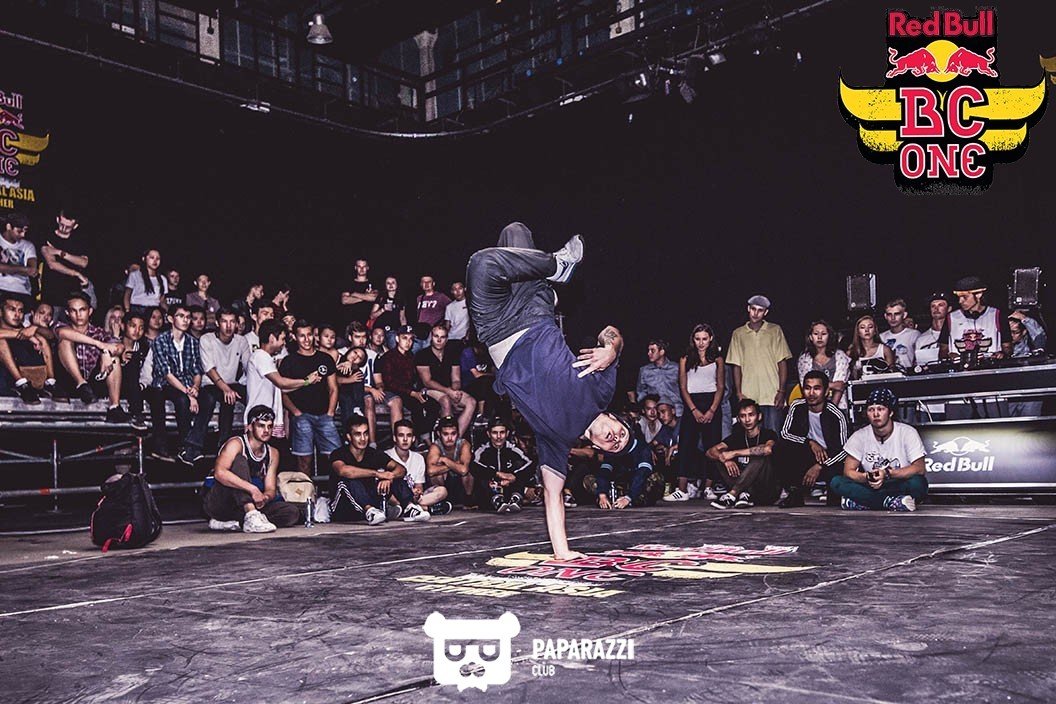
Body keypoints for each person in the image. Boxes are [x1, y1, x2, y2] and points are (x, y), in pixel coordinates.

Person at [466, 222, 628, 560]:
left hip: (497, 329)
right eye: (621, 433)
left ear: (598, 448)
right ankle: (553, 269)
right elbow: (611, 332)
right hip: (535, 313)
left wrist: (563, 552)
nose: (615, 438)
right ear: (614, 418)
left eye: (614, 445)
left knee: (483, 263)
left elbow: (553, 497)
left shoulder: (557, 442)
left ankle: (551, 268)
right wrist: (611, 350)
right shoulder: (601, 390)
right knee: (516, 231)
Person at [203, 405, 302, 533]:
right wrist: (253, 489)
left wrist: (264, 498)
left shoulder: (273, 453)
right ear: (249, 427)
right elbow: (220, 473)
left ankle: (234, 522)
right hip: (220, 501)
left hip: (245, 505)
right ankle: (250, 515)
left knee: (291, 512)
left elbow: (270, 488)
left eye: (269, 426)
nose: (266, 430)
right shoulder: (236, 444)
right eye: (261, 426)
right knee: (240, 461)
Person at [829, 387, 927, 512]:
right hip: (871, 484)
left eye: (880, 409)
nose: (876, 414)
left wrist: (887, 474)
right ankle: (891, 502)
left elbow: (919, 468)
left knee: (919, 483)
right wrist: (866, 477)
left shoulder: (908, 432)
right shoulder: (859, 436)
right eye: (871, 410)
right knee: (837, 482)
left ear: (890, 412)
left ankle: (864, 502)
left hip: (897, 483)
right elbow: (848, 471)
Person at [328, 414, 430, 523]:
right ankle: (370, 511)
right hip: (343, 508)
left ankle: (409, 508)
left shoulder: (373, 453)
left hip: (370, 506)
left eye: (365, 433)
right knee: (349, 480)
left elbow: (401, 469)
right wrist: (377, 474)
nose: (363, 438)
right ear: (349, 437)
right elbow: (343, 470)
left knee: (395, 477)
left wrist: (389, 477)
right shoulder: (338, 453)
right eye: (358, 434)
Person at [146, 303, 210, 464]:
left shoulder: (193, 342)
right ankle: (184, 446)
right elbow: (167, 374)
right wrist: (190, 395)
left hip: (187, 384)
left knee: (209, 398)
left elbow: (197, 370)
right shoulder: (160, 341)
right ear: (170, 319)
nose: (185, 320)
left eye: (188, 317)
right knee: (182, 400)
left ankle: (193, 444)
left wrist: (195, 387)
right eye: (181, 316)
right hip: (166, 385)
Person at [667, 323, 724, 502]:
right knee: (685, 446)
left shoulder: (718, 359)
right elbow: (683, 387)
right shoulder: (685, 358)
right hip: (691, 404)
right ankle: (682, 489)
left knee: (712, 446)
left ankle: (708, 487)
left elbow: (721, 386)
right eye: (698, 339)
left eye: (704, 339)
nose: (701, 343)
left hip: (712, 403)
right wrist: (693, 410)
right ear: (693, 339)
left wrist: (712, 410)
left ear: (710, 339)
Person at [776, 371, 849, 508]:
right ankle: (795, 493)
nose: (811, 393)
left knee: (834, 499)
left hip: (830, 459)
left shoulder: (836, 415)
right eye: (807, 388)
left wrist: (820, 466)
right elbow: (785, 434)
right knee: (780, 449)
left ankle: (833, 495)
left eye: (817, 388)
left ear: (826, 392)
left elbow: (844, 450)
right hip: (808, 453)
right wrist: (809, 442)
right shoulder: (797, 406)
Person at [245, 319, 323, 444]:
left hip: (266, 417)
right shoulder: (260, 356)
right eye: (282, 339)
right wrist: (306, 381)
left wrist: (308, 382)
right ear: (272, 338)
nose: (284, 343)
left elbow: (282, 388)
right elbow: (280, 382)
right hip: (260, 418)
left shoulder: (266, 358)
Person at [279, 320, 340, 474]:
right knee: (304, 460)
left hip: (325, 415)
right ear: (294, 337)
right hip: (302, 416)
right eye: (302, 336)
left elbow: (333, 388)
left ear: (314, 335)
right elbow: (282, 391)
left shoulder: (325, 359)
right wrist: (296, 412)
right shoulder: (289, 361)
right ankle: (306, 489)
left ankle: (337, 489)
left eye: (309, 335)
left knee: (337, 458)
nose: (306, 340)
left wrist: (330, 412)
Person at [56, 292, 129, 421]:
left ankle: (114, 407)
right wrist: (100, 345)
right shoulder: (61, 327)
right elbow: (62, 333)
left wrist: (106, 353)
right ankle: (81, 384)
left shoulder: (99, 332)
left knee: (114, 359)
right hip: (69, 383)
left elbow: (119, 348)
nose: (78, 315)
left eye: (82, 310)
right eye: (73, 311)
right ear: (67, 313)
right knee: (65, 341)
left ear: (90, 311)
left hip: (93, 384)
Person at [726, 295, 792, 432]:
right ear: (748, 309)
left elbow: (782, 362)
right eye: (753, 309)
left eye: (760, 310)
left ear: (765, 312)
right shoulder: (738, 333)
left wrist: (781, 391)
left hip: (772, 394)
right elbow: (736, 365)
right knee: (751, 435)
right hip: (748, 394)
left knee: (773, 435)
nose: (756, 313)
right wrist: (739, 393)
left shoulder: (775, 330)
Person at [706, 399, 781, 509]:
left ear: (759, 416)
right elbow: (710, 452)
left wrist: (734, 453)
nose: (747, 420)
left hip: (766, 491)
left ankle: (732, 494)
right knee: (719, 457)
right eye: (743, 416)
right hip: (744, 490)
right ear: (738, 419)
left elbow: (767, 449)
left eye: (751, 415)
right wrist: (725, 460)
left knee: (759, 455)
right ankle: (743, 494)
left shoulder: (768, 434)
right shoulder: (737, 437)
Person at [197, 307, 251, 450]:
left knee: (250, 395)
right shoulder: (207, 339)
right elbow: (209, 369)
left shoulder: (241, 341)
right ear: (217, 323)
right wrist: (226, 389)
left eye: (232, 322)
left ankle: (249, 445)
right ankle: (196, 447)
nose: (228, 326)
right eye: (224, 321)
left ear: (237, 324)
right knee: (221, 397)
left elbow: (249, 366)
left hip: (232, 384)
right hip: (210, 384)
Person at [415, 322, 477, 438]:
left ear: (447, 339)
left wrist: (455, 391)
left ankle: (455, 439)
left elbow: (456, 379)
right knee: (446, 400)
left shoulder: (452, 354)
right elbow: (427, 381)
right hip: (428, 390)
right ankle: (446, 439)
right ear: (431, 337)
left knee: (471, 402)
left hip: (448, 389)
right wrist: (449, 392)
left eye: (442, 337)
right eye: (436, 336)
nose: (439, 340)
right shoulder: (422, 355)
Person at [939, 275, 1013, 361]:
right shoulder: (951, 318)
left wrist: (1001, 355)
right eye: (959, 297)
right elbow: (943, 351)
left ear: (978, 295)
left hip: (990, 367)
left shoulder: (997, 315)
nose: (960, 301)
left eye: (965, 297)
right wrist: (948, 356)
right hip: (959, 368)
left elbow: (1008, 348)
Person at [0, 294, 57, 403]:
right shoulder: (24, 333)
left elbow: (50, 335)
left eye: (20, 311)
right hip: (6, 384)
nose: (17, 314)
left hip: (33, 382)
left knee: (42, 339)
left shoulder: (27, 330)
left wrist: (35, 328)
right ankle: (22, 384)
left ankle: (50, 383)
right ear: (1, 312)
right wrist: (24, 335)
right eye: (12, 309)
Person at [470, 416, 534, 513]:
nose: (499, 437)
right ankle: (497, 500)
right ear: (488, 434)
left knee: (520, 471)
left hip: (509, 488)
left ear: (507, 433)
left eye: (502, 432)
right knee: (483, 478)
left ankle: (515, 499)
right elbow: (474, 466)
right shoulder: (482, 451)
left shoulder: (513, 449)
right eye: (495, 433)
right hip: (489, 491)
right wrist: (497, 474)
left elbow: (530, 464)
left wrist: (514, 477)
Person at [386, 419, 449, 515]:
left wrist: (417, 492)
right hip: (396, 497)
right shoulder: (386, 456)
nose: (405, 439)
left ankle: (414, 508)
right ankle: (425, 508)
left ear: (413, 439)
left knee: (442, 491)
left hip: (413, 497)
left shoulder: (418, 458)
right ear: (395, 438)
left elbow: (419, 486)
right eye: (401, 435)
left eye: (409, 435)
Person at [40, 209, 91, 311]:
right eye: (61, 224)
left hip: (73, 295)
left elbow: (84, 262)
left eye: (68, 227)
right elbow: (52, 264)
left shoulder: (79, 240)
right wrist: (76, 273)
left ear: (75, 226)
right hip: (51, 295)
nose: (63, 228)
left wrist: (60, 253)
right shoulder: (47, 235)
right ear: (57, 219)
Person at [795, 320, 851, 408]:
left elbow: (840, 386)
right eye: (816, 334)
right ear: (810, 337)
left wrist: (831, 410)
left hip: (839, 406)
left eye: (823, 334)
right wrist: (831, 385)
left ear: (829, 336)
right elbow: (806, 387)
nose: (820, 337)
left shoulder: (840, 355)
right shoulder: (804, 358)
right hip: (813, 407)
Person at [595, 425, 654, 509]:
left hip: (637, 485)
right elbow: (605, 470)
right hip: (620, 484)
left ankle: (632, 500)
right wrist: (602, 494)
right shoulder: (612, 448)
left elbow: (642, 474)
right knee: (591, 481)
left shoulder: (642, 448)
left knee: (654, 480)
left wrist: (628, 498)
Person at [425, 415, 474, 507]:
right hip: (445, 484)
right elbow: (431, 471)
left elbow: (464, 470)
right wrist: (456, 465)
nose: (450, 438)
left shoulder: (464, 444)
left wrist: (445, 460)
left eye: (453, 434)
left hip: (460, 485)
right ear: (439, 434)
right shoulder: (435, 446)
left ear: (458, 433)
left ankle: (468, 500)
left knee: (468, 473)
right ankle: (441, 501)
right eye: (446, 434)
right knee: (436, 475)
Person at [634, 339, 682, 415]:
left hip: (676, 411)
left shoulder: (677, 368)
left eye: (652, 351)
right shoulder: (644, 370)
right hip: (655, 413)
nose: (649, 353)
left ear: (662, 352)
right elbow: (641, 392)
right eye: (648, 350)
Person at [0, 213, 37, 306]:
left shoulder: (28, 245)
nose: (23, 235)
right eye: (19, 231)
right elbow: (28, 270)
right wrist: (24, 269)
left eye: (25, 231)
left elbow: (32, 270)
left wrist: (6, 268)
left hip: (22, 292)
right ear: (8, 227)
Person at [849, 314, 895, 379]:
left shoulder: (885, 350)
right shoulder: (851, 352)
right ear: (858, 332)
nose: (866, 330)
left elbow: (892, 373)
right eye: (862, 327)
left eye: (870, 327)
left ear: (875, 331)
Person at [368, 275, 407, 351]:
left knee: (395, 348)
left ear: (397, 285)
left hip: (393, 331)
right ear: (385, 285)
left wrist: (404, 332)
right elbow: (372, 316)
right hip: (379, 330)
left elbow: (402, 317)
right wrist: (383, 309)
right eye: (388, 283)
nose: (391, 285)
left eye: (393, 283)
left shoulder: (401, 299)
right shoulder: (381, 298)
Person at [123, 249, 168, 314]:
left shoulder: (163, 279)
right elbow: (127, 295)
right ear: (144, 259)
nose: (155, 261)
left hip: (154, 310)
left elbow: (162, 300)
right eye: (152, 257)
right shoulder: (135, 275)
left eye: (158, 258)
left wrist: (169, 311)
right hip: (137, 309)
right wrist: (127, 311)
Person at [913, 293, 950, 368]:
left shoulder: (954, 333)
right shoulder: (921, 339)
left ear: (949, 309)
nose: (936, 308)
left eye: (941, 305)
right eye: (933, 306)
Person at [881, 298, 920, 369]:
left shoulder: (914, 334)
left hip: (908, 374)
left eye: (897, 314)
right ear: (885, 316)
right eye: (889, 314)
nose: (893, 318)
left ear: (904, 315)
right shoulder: (881, 337)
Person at [340, 258, 378, 327]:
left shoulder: (374, 283)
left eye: (364, 266)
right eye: (359, 266)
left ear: (367, 268)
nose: (362, 269)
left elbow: (374, 298)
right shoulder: (348, 283)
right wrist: (366, 296)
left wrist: (354, 294)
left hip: (368, 322)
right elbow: (344, 300)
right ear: (355, 268)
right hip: (350, 321)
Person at [444, 281, 470, 348]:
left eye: (460, 288)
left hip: (465, 339)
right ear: (452, 291)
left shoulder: (471, 303)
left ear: (465, 289)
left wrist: (467, 336)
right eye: (455, 289)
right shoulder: (449, 307)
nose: (458, 292)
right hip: (451, 338)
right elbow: (447, 326)